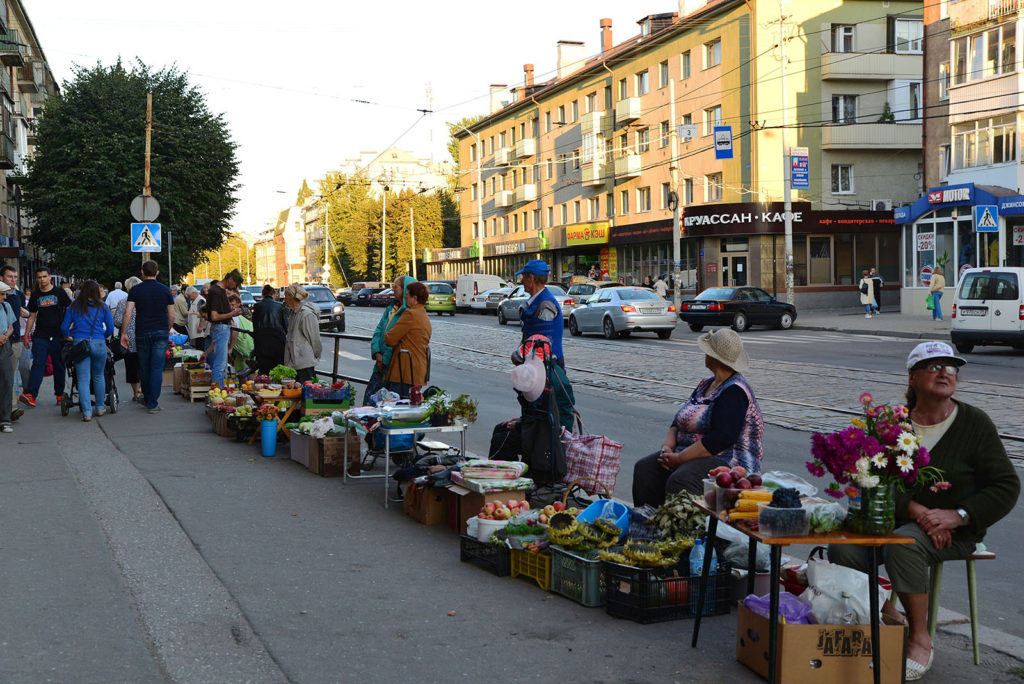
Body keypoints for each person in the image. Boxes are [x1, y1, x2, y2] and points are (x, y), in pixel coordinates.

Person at [828, 342, 1019, 681]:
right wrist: (917, 510)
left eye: (951, 367)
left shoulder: (974, 423)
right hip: (895, 521)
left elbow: (1006, 486)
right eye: (934, 366)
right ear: (913, 378)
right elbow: (872, 480)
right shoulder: (892, 424)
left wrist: (958, 516)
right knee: (842, 547)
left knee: (905, 546)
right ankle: (888, 617)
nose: (945, 372)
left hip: (956, 531)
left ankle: (920, 638)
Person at [632, 328, 764, 508]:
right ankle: (648, 522)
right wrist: (667, 449)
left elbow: (720, 439)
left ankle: (682, 531)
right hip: (687, 451)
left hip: (726, 459)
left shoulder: (735, 391)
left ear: (714, 358)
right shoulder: (706, 383)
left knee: (680, 480)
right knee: (645, 469)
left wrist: (679, 459)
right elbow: (678, 421)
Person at [490, 335, 576, 463]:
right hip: (546, 426)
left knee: (501, 440)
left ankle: (507, 474)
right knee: (500, 428)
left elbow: (543, 419)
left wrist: (519, 425)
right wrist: (520, 421)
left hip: (551, 433)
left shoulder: (544, 381)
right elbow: (537, 413)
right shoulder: (554, 370)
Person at [120, 260, 173, 414]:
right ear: (157, 272)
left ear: (142, 272)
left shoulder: (135, 290)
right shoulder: (165, 290)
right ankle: (153, 402)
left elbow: (128, 313)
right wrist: (167, 328)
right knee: (156, 368)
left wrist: (123, 333)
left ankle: (147, 397)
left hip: (142, 332)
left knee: (144, 367)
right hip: (161, 332)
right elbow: (171, 314)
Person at [60, 280, 115, 421]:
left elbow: (64, 328)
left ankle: (87, 413)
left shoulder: (74, 306)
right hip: (99, 343)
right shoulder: (102, 307)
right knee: (98, 376)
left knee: (83, 379)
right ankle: (100, 407)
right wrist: (101, 336)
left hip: (80, 343)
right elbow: (110, 328)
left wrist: (70, 335)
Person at [21, 266, 72, 407]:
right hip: (40, 335)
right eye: (39, 277)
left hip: (57, 335)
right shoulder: (36, 295)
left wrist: (68, 327)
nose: (42, 280)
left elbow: (70, 308)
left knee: (58, 365)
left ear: (50, 277)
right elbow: (31, 316)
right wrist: (26, 335)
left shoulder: (59, 292)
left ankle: (60, 395)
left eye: (44, 276)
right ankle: (31, 395)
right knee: (38, 364)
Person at [364, 275, 415, 405]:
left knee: (389, 404)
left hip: (394, 367)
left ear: (405, 290)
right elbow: (379, 330)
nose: (393, 290)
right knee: (371, 400)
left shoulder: (408, 313)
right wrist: (376, 353)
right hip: (380, 365)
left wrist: (384, 360)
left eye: (396, 287)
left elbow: (395, 340)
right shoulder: (390, 308)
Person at [383, 280, 432, 397]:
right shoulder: (423, 314)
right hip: (417, 371)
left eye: (407, 294)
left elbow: (389, 339)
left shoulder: (411, 314)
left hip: (404, 371)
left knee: (398, 407)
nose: (405, 296)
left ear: (414, 298)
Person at [515, 260, 564, 366]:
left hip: (547, 367)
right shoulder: (536, 301)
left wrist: (519, 354)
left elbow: (542, 339)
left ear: (531, 278)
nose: (522, 281)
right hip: (537, 364)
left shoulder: (545, 305)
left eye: (524, 277)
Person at [204, 270, 244, 385]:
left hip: (220, 328)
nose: (235, 287)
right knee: (220, 365)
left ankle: (218, 391)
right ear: (230, 279)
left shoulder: (218, 291)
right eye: (235, 284)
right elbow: (214, 316)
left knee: (220, 363)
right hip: (221, 328)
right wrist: (232, 314)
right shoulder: (217, 291)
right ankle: (217, 392)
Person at [2, 264, 28, 420]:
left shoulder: (19, 295)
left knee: (9, 376)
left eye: (15, 277)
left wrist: (26, 314)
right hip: (2, 340)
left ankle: (11, 408)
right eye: (9, 277)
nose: (13, 280)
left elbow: (22, 314)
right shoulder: (2, 296)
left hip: (15, 340)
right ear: (1, 278)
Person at [282, 283, 321, 383]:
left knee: (306, 392)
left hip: (304, 363)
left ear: (291, 297)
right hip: (295, 362)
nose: (284, 299)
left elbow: (314, 339)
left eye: (285, 296)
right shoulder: (294, 313)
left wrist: (316, 355)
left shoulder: (306, 314)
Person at [113, 277, 143, 403]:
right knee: (143, 365)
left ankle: (135, 392)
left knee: (131, 366)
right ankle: (142, 388)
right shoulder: (145, 301)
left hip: (128, 339)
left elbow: (118, 322)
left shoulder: (122, 302)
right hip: (143, 336)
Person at [252, 283, 288, 374]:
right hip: (278, 340)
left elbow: (255, 326)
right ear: (274, 294)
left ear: (263, 295)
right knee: (278, 369)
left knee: (264, 370)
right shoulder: (280, 306)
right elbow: (286, 325)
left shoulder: (257, 306)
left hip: (262, 341)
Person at [0, 280, 16, 433]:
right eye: (2, 294)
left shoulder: (6, 306)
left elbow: (11, 326)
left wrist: (5, 336)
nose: (5, 297)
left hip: (4, 346)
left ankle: (5, 419)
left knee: (6, 381)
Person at [227, 292, 254, 372]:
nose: (231, 307)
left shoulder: (234, 315)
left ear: (239, 304)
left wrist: (230, 349)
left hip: (246, 346)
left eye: (233, 305)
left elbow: (234, 331)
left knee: (248, 370)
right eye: (230, 305)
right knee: (241, 369)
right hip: (242, 347)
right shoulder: (238, 314)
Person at [185, 286, 209, 352]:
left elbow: (203, 314)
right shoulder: (195, 300)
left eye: (189, 296)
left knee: (200, 346)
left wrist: (200, 326)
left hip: (199, 329)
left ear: (193, 293)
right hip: (196, 327)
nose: (189, 297)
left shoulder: (200, 300)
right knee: (198, 345)